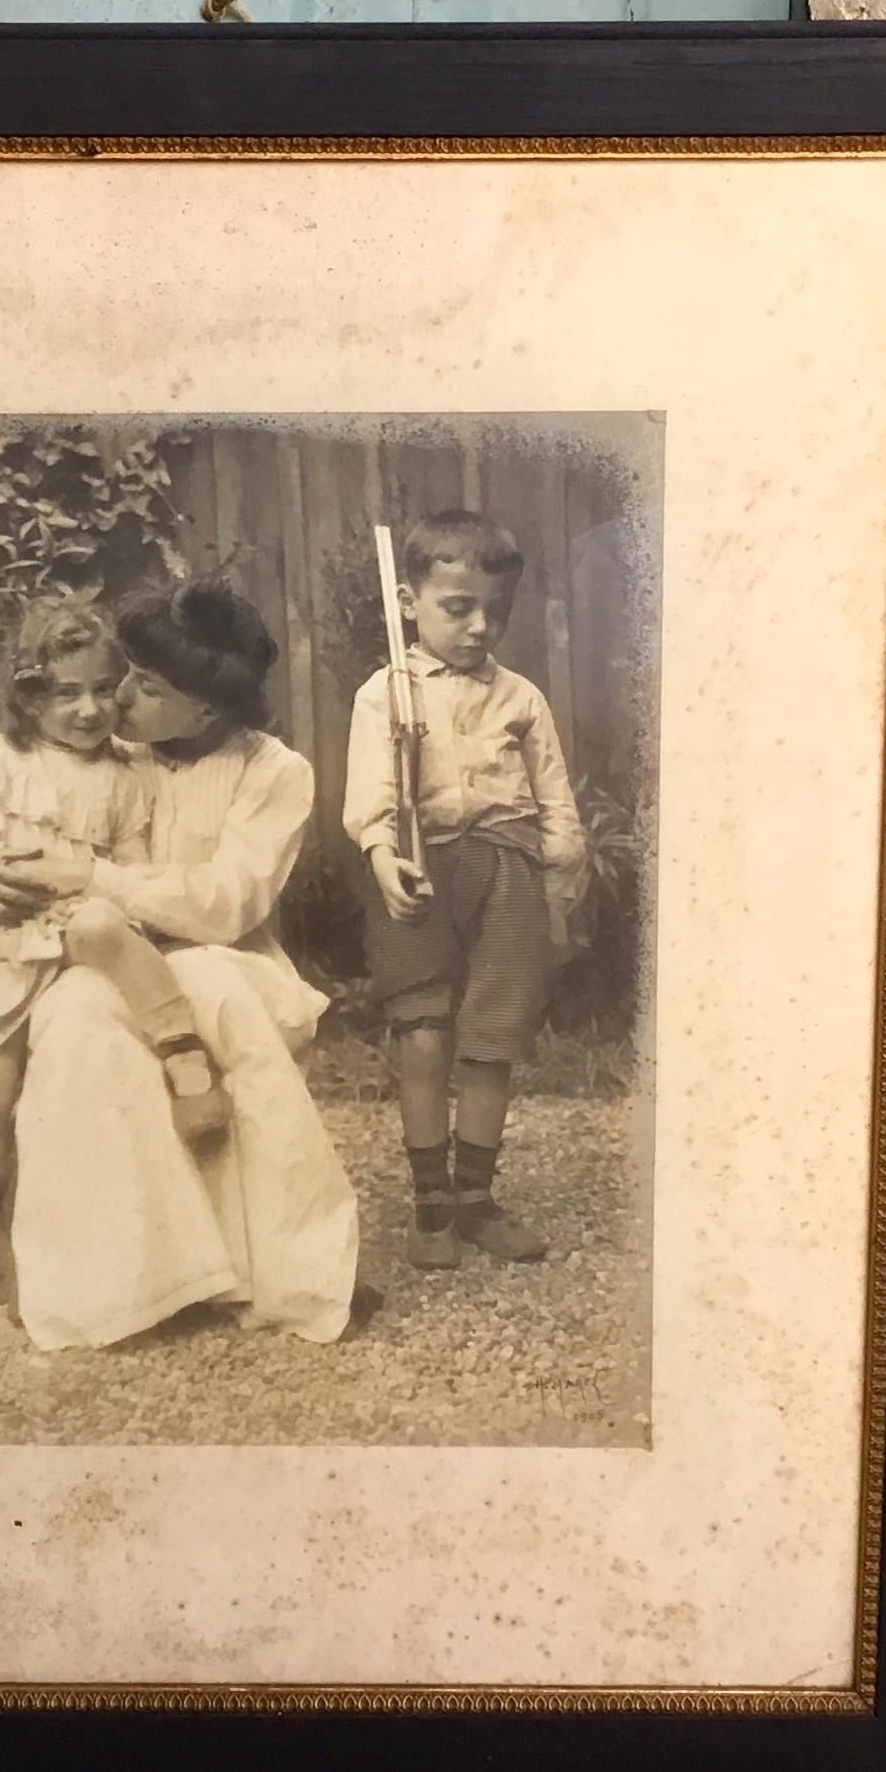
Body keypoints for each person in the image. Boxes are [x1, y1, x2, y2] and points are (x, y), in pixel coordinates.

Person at [0, 579, 360, 1352]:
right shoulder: (108, 745)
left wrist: (91, 877)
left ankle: (276, 1265)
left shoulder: (273, 770)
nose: (119, 698)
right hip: (101, 955)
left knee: (214, 994)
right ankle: (120, 1281)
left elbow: (226, 904)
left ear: (207, 710)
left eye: (148, 687)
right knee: (73, 1021)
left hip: (225, 955)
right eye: (126, 675)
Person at [0, 597, 234, 1311]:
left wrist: (109, 896)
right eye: (65, 693)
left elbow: (134, 865)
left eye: (102, 689)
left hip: (77, 945)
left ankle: (180, 1049)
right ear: (28, 695)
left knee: (69, 1074)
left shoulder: (127, 774)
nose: (88, 709)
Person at [342, 509, 586, 1270]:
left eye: (496, 610)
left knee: (491, 1040)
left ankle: (476, 1199)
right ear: (408, 601)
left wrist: (561, 875)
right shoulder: (384, 694)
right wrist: (382, 855)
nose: (480, 626)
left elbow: (555, 797)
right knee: (422, 1036)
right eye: (458, 607)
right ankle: (432, 1206)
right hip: (418, 870)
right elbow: (370, 797)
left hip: (507, 870)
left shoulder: (521, 697)